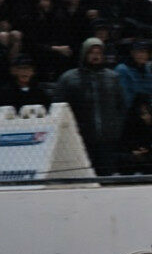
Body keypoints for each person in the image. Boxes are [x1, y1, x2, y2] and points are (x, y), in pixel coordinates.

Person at [54, 37, 127, 175]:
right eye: (92, 52)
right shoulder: (69, 79)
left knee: (106, 176)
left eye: (99, 52)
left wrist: (116, 128)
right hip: (80, 139)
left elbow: (121, 106)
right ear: (84, 54)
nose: (96, 55)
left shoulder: (113, 78)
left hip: (107, 139)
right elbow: (59, 108)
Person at [115, 40, 152, 110]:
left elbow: (149, 92)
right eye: (139, 52)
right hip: (129, 111)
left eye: (145, 52)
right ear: (132, 53)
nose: (142, 55)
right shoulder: (122, 69)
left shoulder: (147, 69)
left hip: (145, 109)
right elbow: (125, 98)